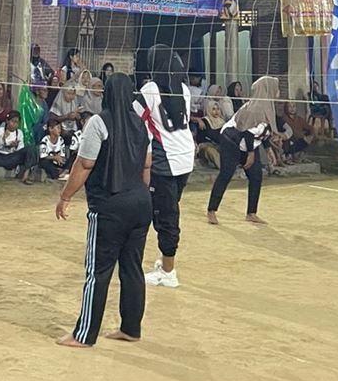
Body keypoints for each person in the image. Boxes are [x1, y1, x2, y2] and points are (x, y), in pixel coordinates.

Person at [55, 73, 152, 348]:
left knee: (97, 270)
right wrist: (139, 194)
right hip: (140, 203)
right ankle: (131, 328)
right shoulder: (141, 123)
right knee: (132, 268)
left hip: (110, 205)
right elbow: (147, 166)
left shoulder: (98, 122)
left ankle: (84, 335)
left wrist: (65, 196)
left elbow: (85, 164)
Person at [137, 46, 194, 290]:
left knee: (165, 216)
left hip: (165, 160)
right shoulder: (184, 88)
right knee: (167, 210)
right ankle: (166, 262)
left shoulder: (149, 90)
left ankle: (168, 272)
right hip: (186, 156)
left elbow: (134, 116)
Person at [206, 99, 272, 225]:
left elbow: (264, 131)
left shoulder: (268, 108)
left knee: (256, 176)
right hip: (231, 141)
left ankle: (251, 213)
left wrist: (268, 149)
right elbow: (248, 132)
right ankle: (211, 210)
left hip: (249, 144)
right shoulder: (252, 108)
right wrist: (251, 154)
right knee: (226, 174)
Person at [0, 111, 37, 181]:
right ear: (7, 121)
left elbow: (21, 150)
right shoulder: (1, 130)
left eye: (17, 122)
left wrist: (15, 146)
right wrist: (3, 139)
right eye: (13, 121)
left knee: (30, 148)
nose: (15, 124)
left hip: (12, 158)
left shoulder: (19, 133)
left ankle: (27, 173)